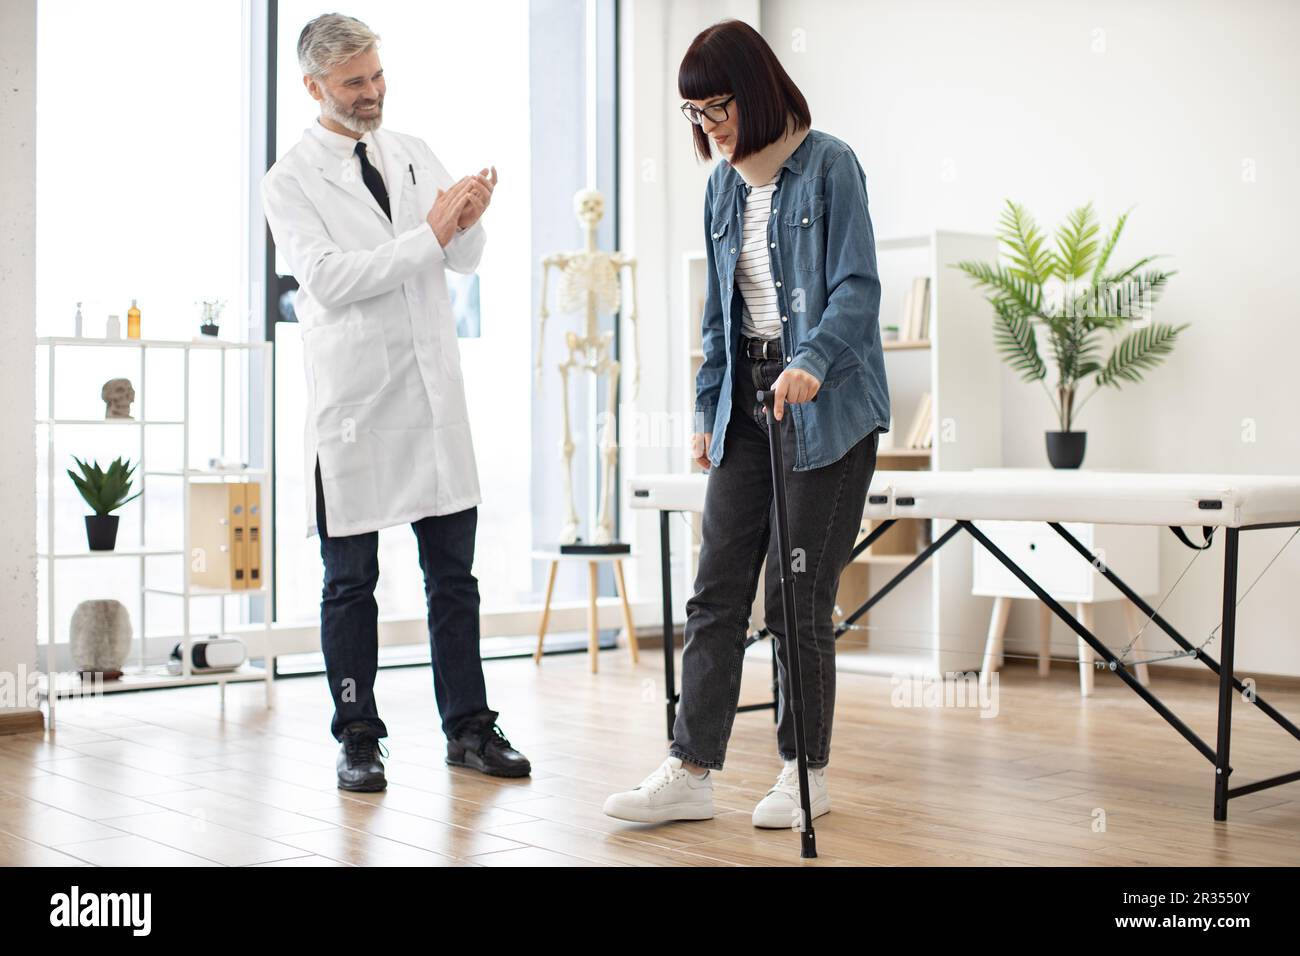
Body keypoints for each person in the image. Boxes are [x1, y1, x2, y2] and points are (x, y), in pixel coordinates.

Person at [604, 19, 890, 828]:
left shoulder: (830, 166)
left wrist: (813, 361)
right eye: (692, 114)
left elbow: (858, 289)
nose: (708, 126)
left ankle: (804, 772)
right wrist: (708, 406)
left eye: (716, 106)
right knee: (716, 590)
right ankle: (691, 769)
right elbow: (718, 316)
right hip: (748, 400)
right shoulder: (723, 189)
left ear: (756, 90)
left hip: (826, 402)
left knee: (797, 590)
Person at [261, 12, 530, 791]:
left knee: (455, 577)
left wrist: (466, 219)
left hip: (432, 399)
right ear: (314, 87)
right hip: (356, 411)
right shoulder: (289, 181)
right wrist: (432, 233)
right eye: (354, 83)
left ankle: (470, 729)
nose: (373, 92)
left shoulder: (410, 153)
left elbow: (462, 256)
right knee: (351, 582)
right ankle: (358, 736)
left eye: (377, 75)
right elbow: (330, 280)